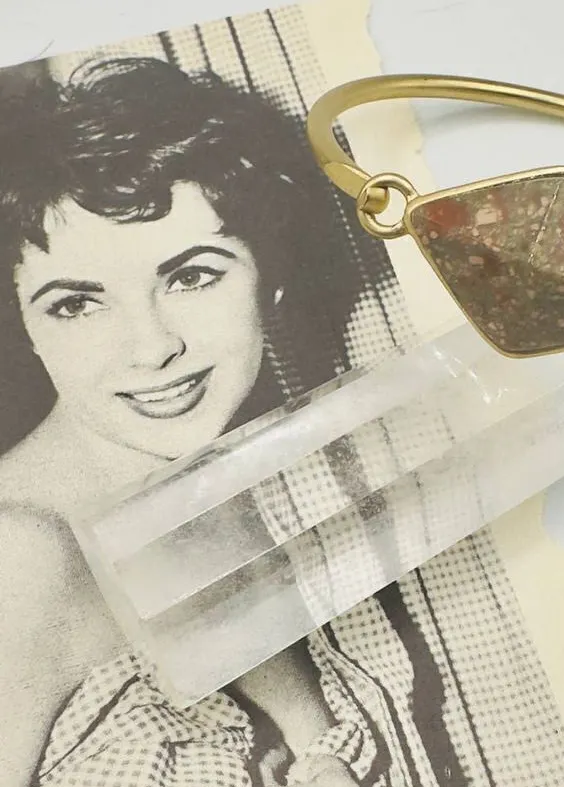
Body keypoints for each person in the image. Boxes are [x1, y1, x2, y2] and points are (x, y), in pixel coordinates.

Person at [0, 55, 380, 786]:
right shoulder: (18, 556)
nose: (152, 348)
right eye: (76, 304)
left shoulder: (205, 501)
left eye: (192, 276)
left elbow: (313, 744)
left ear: (270, 281)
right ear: (25, 327)